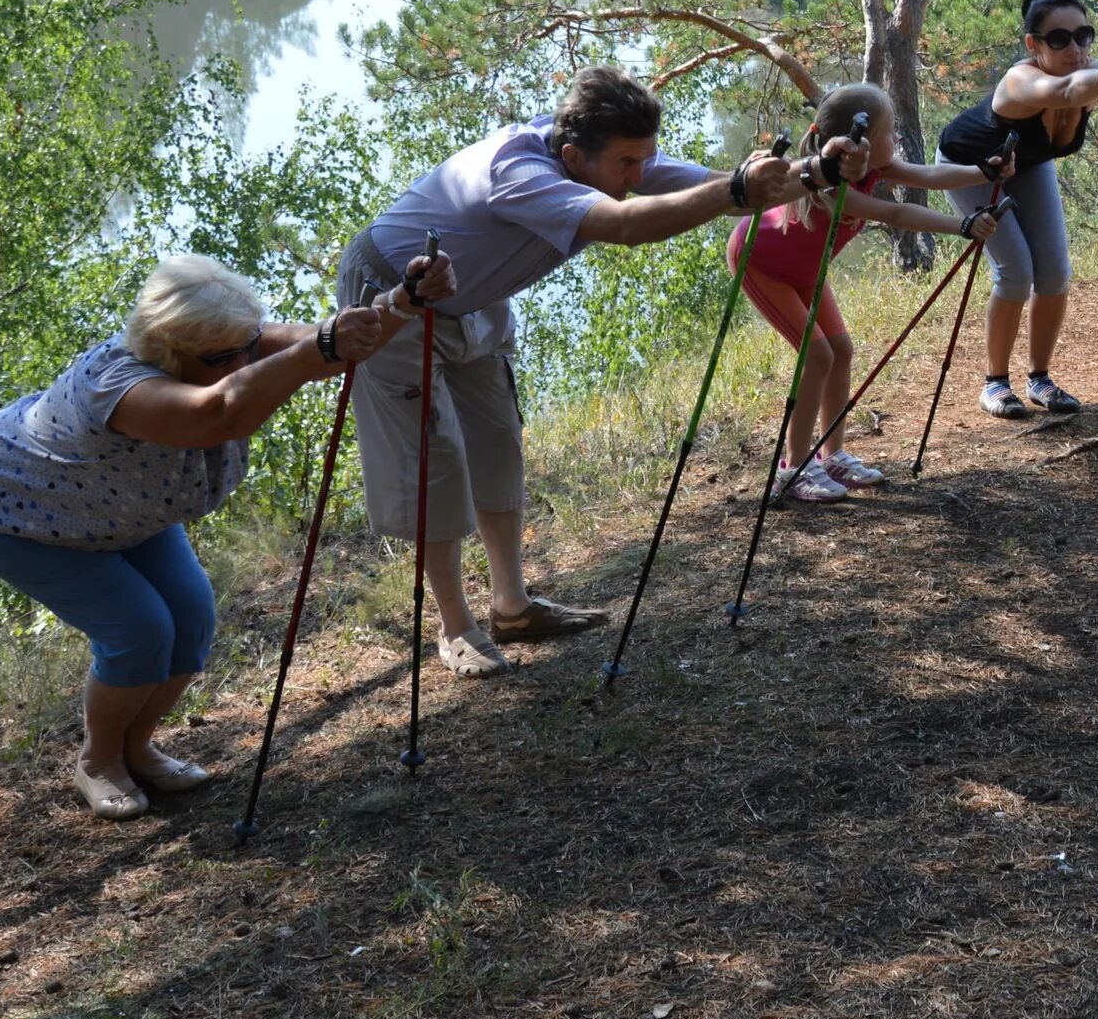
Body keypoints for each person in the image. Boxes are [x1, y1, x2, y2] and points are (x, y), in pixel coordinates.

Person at [0, 251, 448, 819]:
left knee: (190, 617)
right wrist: (315, 352)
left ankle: (138, 749)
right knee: (138, 629)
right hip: (18, 508)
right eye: (225, 356)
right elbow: (221, 412)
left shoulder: (219, 344)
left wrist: (399, 304)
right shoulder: (117, 387)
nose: (242, 360)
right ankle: (98, 759)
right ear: (171, 353)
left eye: (247, 345)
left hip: (120, 506)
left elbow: (327, 345)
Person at [344, 66, 806, 676]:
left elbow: (679, 179)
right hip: (393, 295)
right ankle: (455, 625)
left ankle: (512, 605)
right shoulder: (520, 175)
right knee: (434, 458)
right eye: (625, 165)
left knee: (498, 442)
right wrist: (737, 193)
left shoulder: (592, 150)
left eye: (641, 160)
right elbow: (627, 226)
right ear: (571, 155)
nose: (637, 178)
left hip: (473, 297)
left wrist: (798, 176)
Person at [731, 82, 1011, 504]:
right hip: (761, 261)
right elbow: (896, 212)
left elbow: (930, 176)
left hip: (806, 268)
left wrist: (982, 171)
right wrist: (963, 225)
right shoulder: (829, 190)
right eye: (890, 130)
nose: (896, 138)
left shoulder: (875, 166)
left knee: (840, 350)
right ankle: (793, 468)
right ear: (856, 143)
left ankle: (833, 454)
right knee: (818, 355)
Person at [937, 0, 1098, 421]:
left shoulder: (1089, 68)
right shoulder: (1020, 79)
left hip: (1028, 162)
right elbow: (1068, 93)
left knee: (1056, 272)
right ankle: (995, 385)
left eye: (1083, 35)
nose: (1074, 48)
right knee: (1016, 270)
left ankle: (1039, 378)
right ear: (1033, 44)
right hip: (970, 167)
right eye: (1059, 39)